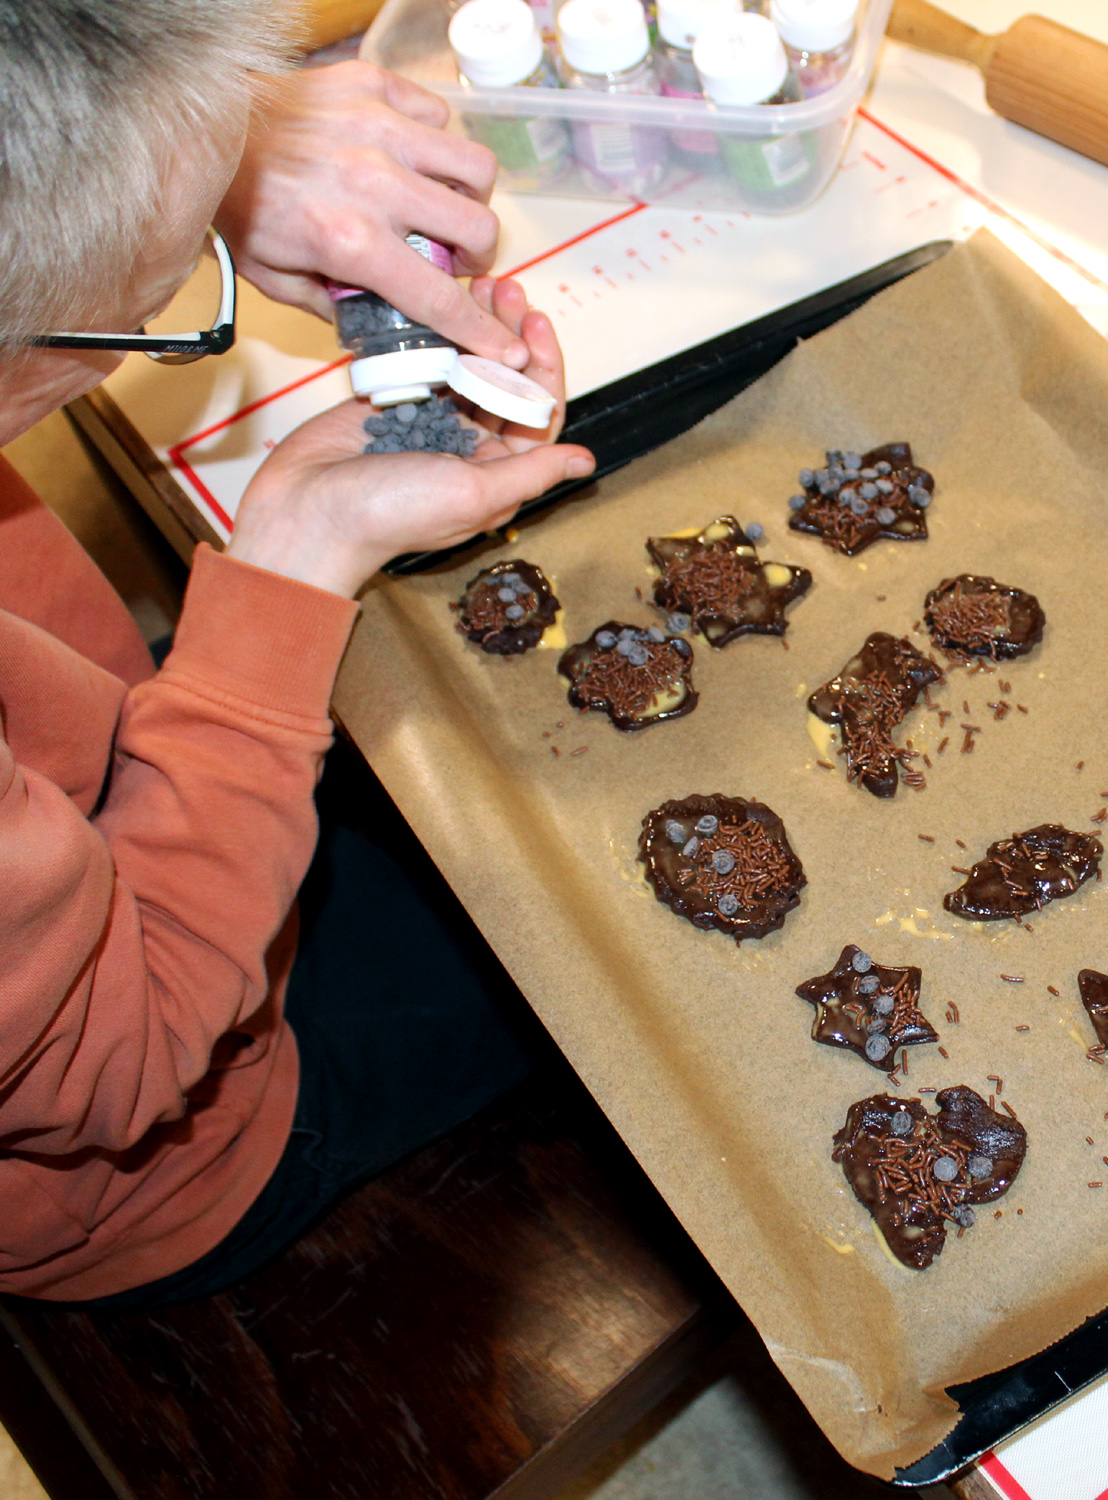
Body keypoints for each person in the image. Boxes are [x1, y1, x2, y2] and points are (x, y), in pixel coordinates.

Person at [0, 0, 594, 1304]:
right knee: (590, 941)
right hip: (181, 1128)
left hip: (102, 762)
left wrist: (197, 158)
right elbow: (125, 1053)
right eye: (161, 301)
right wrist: (290, 564)